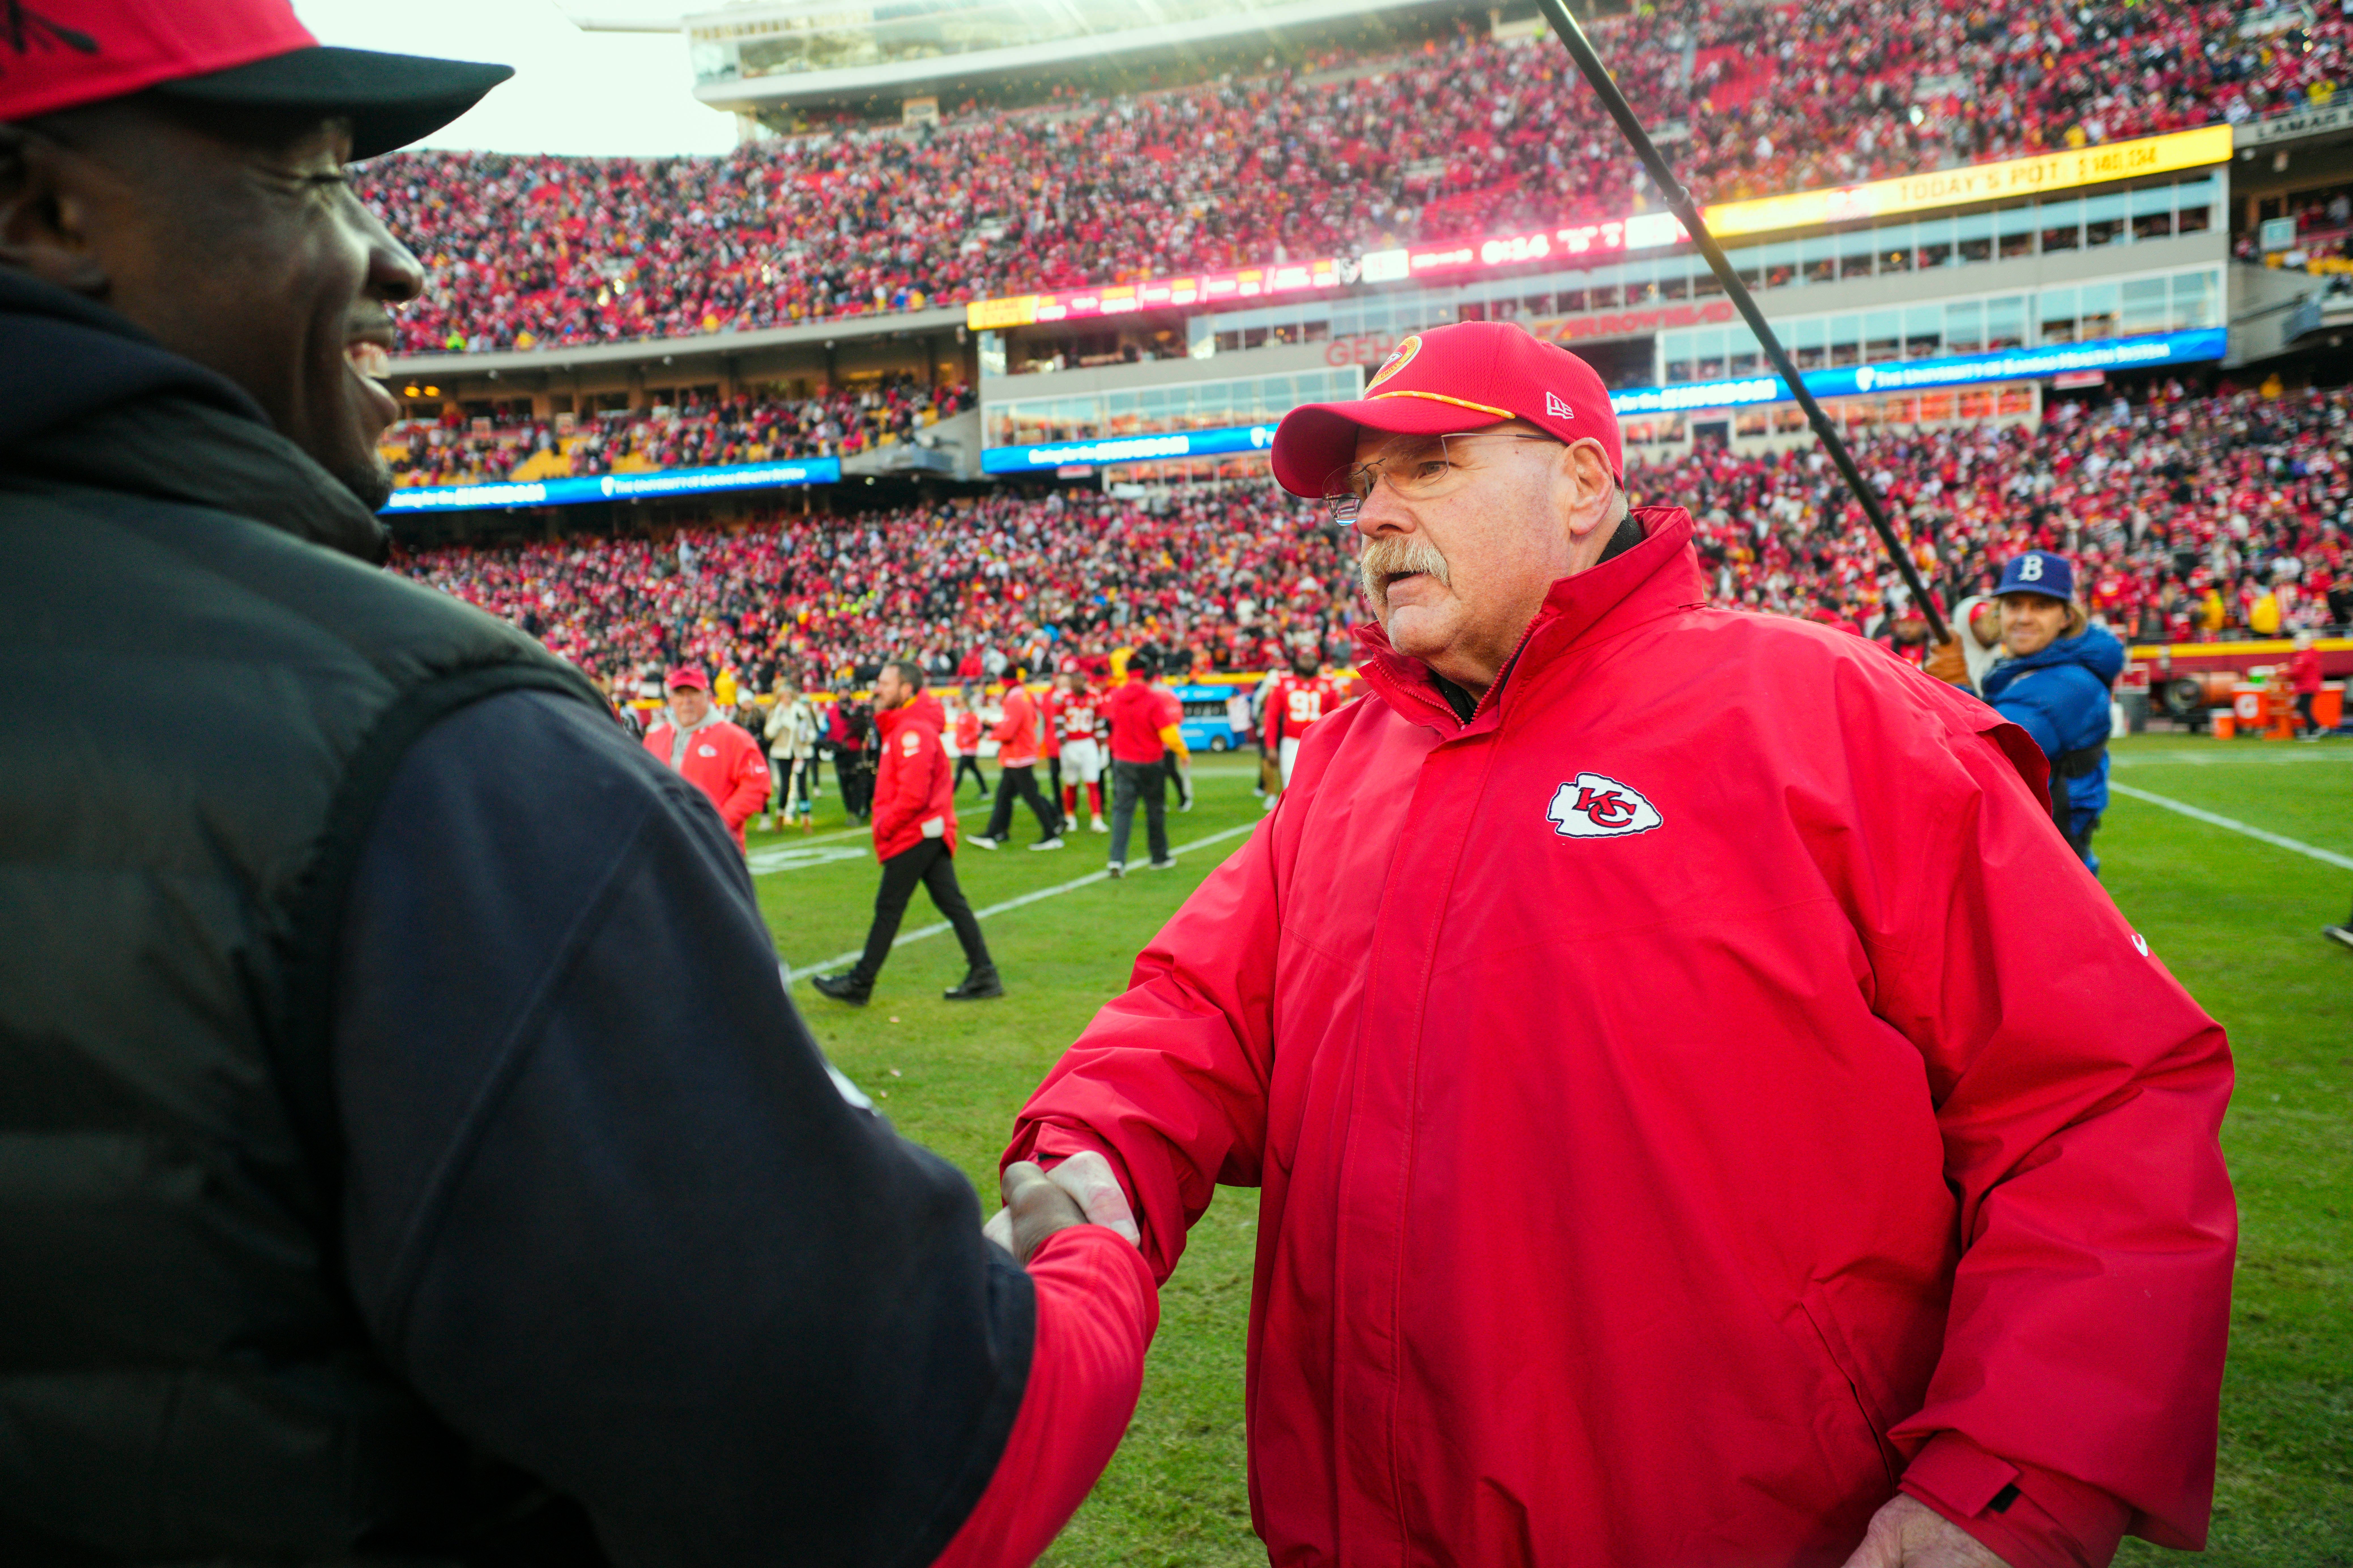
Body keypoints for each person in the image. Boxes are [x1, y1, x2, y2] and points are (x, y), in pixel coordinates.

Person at [0, 12, 1154, 1562]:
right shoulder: (433, 759)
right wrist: (1093, 1279)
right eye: (319, 178)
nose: (395, 258)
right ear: (45, 214)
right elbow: (894, 1454)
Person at [1005, 322, 2234, 1568]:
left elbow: (2097, 1097)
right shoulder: (1346, 767)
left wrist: (2015, 1477)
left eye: (1427, 467)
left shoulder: (1825, 714)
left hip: (1749, 1525)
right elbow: (1199, 1015)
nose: (1374, 514)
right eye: (1362, 483)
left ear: (1584, 486)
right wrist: (1095, 1148)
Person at [814, 661, 1004, 1005]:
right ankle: (984, 973)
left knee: (889, 907)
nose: (877, 689)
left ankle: (860, 983)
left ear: (906, 691)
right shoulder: (904, 727)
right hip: (926, 831)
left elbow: (913, 797)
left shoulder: (912, 731)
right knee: (951, 903)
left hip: (916, 832)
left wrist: (885, 825)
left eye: (885, 683)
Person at [1977, 552, 2126, 874]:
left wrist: (1952, 689)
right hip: (2038, 860)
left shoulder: (2072, 684)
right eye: (2014, 605)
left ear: (2066, 617)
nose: (2024, 618)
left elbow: (1986, 757)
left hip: (2053, 873)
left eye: (2041, 606)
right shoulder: (2023, 670)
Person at [642, 666, 771, 853]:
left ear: (708, 697)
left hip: (718, 850)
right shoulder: (655, 738)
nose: (687, 701)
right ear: (671, 700)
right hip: (665, 849)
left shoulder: (733, 737)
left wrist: (718, 823)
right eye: (680, 694)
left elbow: (757, 786)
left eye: (693, 693)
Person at [1101, 649, 1186, 877]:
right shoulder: (1152, 698)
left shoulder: (1116, 696)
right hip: (1151, 761)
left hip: (1122, 760)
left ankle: (1116, 860)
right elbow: (1168, 733)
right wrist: (1182, 752)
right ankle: (1159, 856)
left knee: (1122, 811)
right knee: (1155, 810)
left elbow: (1109, 724)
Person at [972, 678, 1063, 851]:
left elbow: (1009, 732)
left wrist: (989, 735)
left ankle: (1052, 833)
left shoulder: (1014, 700)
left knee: (1031, 797)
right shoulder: (1024, 697)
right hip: (1020, 754)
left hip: (1019, 756)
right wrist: (995, 726)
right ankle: (997, 833)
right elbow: (1017, 724)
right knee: (1004, 796)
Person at [1262, 639, 1346, 794]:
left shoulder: (1328, 683)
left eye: (1313, 659)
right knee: (1290, 785)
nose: (1309, 663)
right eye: (1305, 658)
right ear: (1297, 660)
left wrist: (1338, 744)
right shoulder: (1283, 682)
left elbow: (1338, 718)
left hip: (1320, 742)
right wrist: (1271, 746)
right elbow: (1271, 717)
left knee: (1320, 786)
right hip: (1292, 741)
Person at [1055, 669, 1110, 833]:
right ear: (1071, 683)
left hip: (1088, 743)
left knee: (1092, 782)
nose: (1079, 684)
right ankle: (1070, 817)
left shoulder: (1094, 696)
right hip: (1071, 744)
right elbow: (1058, 725)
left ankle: (1097, 819)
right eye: (1076, 681)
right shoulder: (1062, 697)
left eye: (1082, 680)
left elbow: (1099, 725)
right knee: (1071, 783)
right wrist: (1065, 747)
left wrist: (1104, 747)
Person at [765, 675, 822, 832]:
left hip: (800, 753)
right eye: (784, 697)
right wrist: (778, 720)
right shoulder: (776, 712)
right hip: (782, 753)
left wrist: (806, 739)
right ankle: (781, 819)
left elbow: (811, 731)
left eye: (789, 696)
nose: (787, 699)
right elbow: (769, 733)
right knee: (784, 787)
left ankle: (806, 820)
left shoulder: (801, 711)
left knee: (803, 787)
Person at [951, 687, 990, 798]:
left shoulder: (971, 717)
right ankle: (985, 791)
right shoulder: (962, 716)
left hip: (969, 749)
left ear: (964, 703)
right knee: (975, 770)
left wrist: (967, 740)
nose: (957, 705)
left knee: (959, 772)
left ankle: (949, 794)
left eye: (959, 703)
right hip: (964, 749)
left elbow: (978, 732)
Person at [2286, 629, 2324, 740]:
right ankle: (2313, 728)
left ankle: (2315, 729)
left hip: (2307, 686)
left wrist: (2283, 672)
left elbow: (2296, 672)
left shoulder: (2305, 655)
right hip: (2310, 685)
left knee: (2304, 707)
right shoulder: (2310, 654)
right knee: (2302, 707)